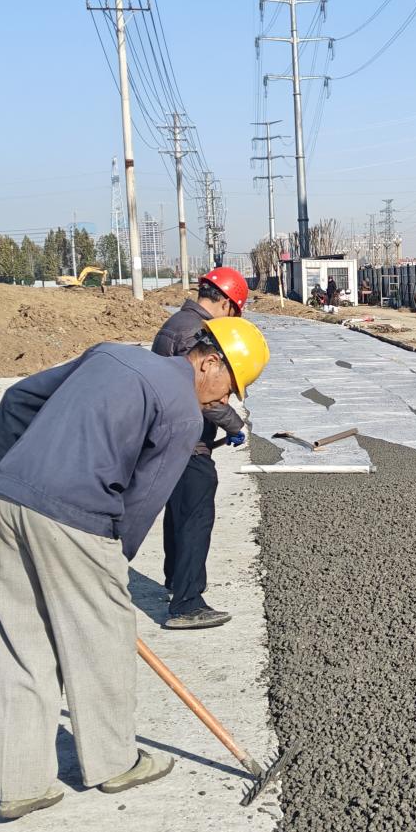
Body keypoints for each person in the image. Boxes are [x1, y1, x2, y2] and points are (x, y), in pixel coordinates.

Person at [0, 317, 270, 820]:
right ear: (211, 361)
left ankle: (22, 785)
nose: (225, 400)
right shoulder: (181, 413)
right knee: (104, 641)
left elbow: (20, 398)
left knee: (24, 645)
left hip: (8, 499)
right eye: (231, 387)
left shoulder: (109, 353)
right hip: (75, 513)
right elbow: (142, 503)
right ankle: (115, 763)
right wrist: (111, 570)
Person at [152, 267, 251, 630]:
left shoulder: (174, 324)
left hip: (168, 438)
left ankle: (175, 580)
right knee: (195, 517)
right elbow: (204, 391)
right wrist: (235, 424)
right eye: (233, 312)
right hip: (189, 441)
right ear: (225, 302)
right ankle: (187, 603)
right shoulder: (197, 333)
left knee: (177, 513)